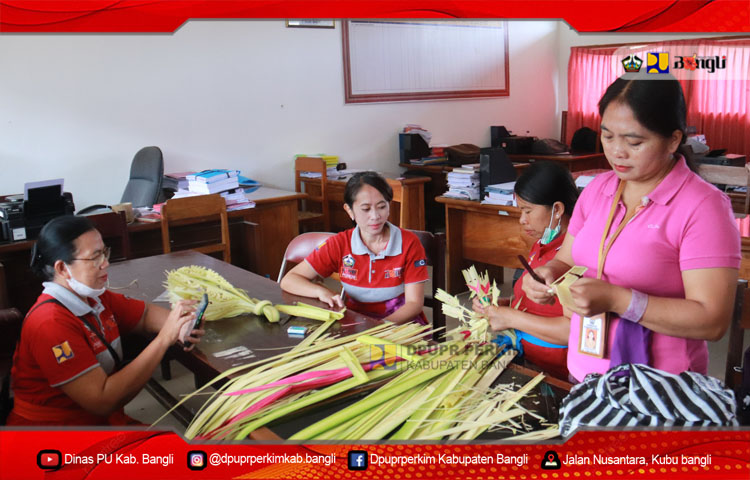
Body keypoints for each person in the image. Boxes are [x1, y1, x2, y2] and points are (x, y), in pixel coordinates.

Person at [522, 73, 740, 382]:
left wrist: (619, 300)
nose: (617, 152)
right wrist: (547, 274)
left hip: (661, 385)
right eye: (608, 136)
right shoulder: (597, 189)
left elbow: (712, 320)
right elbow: (567, 260)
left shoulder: (704, 207)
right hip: (586, 370)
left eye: (634, 142)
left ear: (673, 140)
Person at [8, 215, 205, 425]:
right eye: (95, 258)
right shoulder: (50, 323)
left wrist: (182, 326)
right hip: (56, 431)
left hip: (98, 420)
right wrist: (164, 338)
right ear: (62, 268)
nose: (105, 263)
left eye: (104, 253)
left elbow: (145, 314)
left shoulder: (94, 298)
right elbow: (101, 400)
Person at [472, 161, 579, 379]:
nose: (522, 220)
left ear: (557, 209)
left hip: (558, 373)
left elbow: (574, 331)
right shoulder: (542, 243)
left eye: (527, 211)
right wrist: (501, 305)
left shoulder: (577, 256)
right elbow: (536, 303)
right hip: (529, 361)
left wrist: (511, 318)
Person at [280, 171, 429, 324]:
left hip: (398, 322)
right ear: (349, 211)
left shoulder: (409, 243)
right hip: (356, 320)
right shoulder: (340, 243)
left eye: (381, 206)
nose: (375, 216)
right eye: (366, 209)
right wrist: (320, 291)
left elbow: (414, 304)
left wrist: (379, 327)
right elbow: (290, 280)